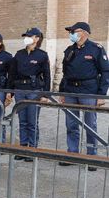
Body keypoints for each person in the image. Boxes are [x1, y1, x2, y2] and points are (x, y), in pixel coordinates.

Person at [58, 22, 109, 169]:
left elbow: (105, 72)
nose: (71, 33)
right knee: (71, 124)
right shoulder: (69, 50)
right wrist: (62, 92)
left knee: (90, 125)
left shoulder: (96, 49)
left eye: (74, 31)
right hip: (70, 91)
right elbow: (65, 73)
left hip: (88, 91)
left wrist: (101, 95)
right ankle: (72, 154)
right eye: (71, 31)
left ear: (85, 33)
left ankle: (91, 157)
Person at [7, 27, 51, 161]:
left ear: (37, 38)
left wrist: (45, 95)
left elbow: (47, 76)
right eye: (25, 36)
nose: (26, 38)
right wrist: (10, 92)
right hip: (20, 90)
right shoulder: (19, 54)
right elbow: (12, 74)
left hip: (34, 91)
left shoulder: (42, 55)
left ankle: (32, 149)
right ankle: (22, 148)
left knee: (32, 122)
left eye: (29, 36)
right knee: (22, 121)